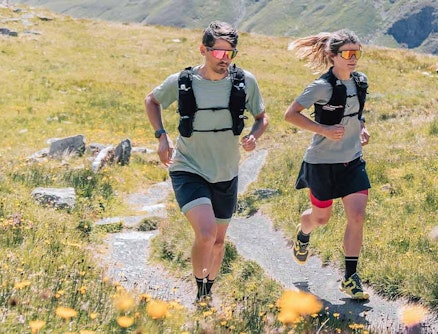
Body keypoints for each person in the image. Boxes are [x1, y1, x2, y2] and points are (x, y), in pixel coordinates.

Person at [144, 21, 268, 305]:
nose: (224, 59)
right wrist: (161, 137)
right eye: (218, 53)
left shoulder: (245, 81)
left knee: (219, 241)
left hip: (225, 171)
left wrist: (254, 135)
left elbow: (262, 118)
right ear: (203, 50)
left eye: (230, 54)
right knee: (206, 233)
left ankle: (206, 292)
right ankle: (199, 289)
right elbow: (152, 100)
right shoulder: (183, 81)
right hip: (188, 167)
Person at [283, 30, 371, 300]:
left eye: (356, 53)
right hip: (322, 163)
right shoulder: (321, 86)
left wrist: (362, 128)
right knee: (320, 219)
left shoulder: (360, 82)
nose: (353, 58)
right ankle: (304, 229)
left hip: (352, 161)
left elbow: (356, 113)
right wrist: (322, 129)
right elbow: (290, 115)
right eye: (347, 53)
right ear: (333, 57)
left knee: (356, 217)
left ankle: (350, 278)